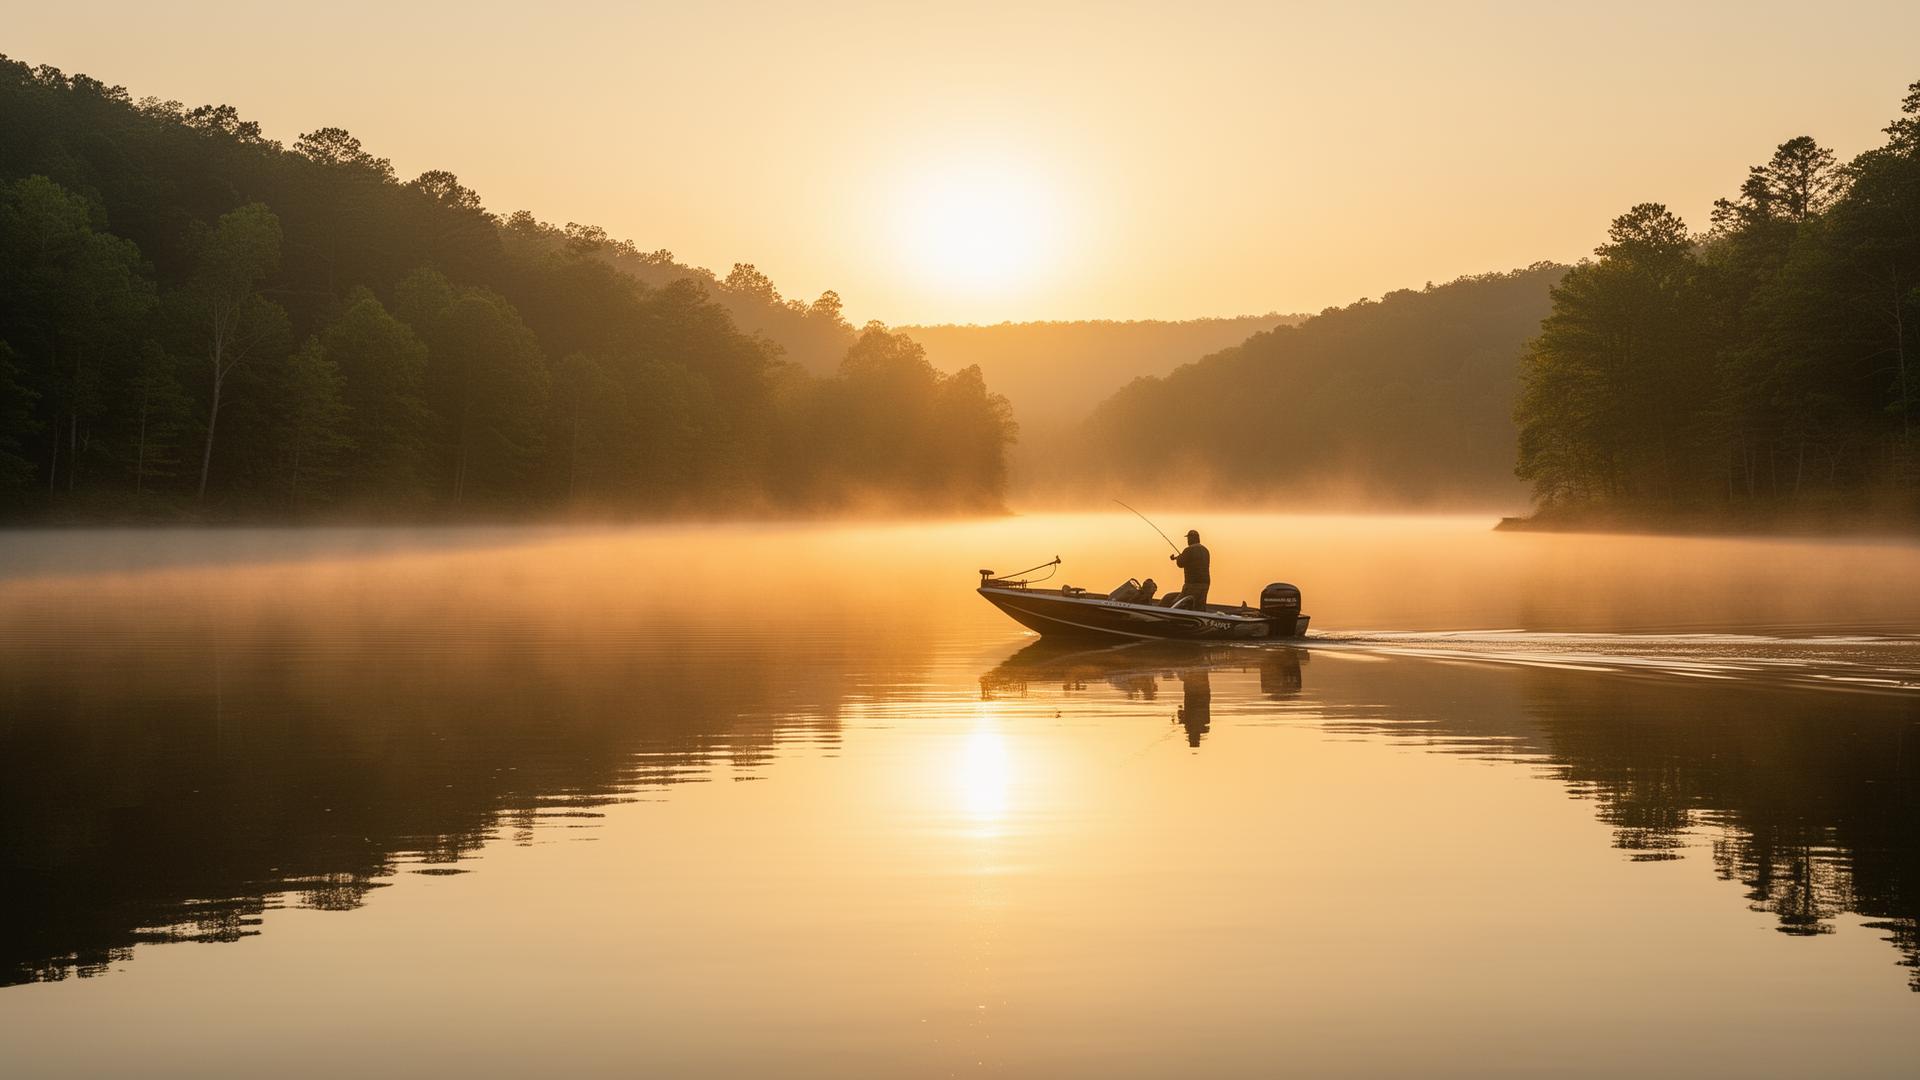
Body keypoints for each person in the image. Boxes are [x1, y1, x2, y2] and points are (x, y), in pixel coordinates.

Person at [1168, 529, 1210, 607]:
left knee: (1177, 603)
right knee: (1199, 605)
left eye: (1188, 538)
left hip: (1192, 584)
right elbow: (1195, 561)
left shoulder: (1188, 550)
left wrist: (1179, 557)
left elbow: (1180, 564)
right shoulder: (1205, 550)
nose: (1187, 540)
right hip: (1205, 584)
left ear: (1191, 539)